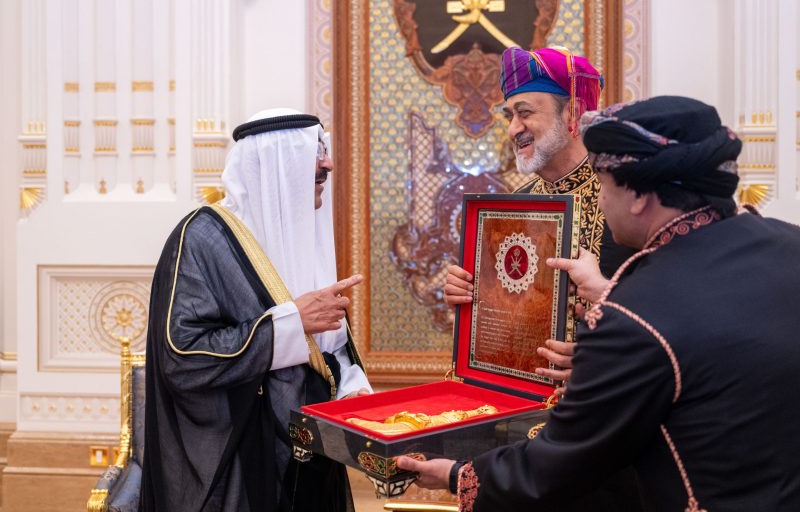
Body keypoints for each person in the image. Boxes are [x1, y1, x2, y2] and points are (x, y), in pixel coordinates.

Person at [399, 96, 800, 511]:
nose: (601, 200)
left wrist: (456, 475)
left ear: (640, 195)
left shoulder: (633, 315)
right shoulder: (792, 247)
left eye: (604, 183)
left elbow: (558, 465)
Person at [140, 108, 370, 512]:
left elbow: (328, 347)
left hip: (313, 460)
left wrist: (355, 393)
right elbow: (182, 355)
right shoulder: (202, 238)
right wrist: (290, 324)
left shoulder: (305, 236)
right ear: (277, 163)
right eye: (315, 152)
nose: (328, 162)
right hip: (242, 469)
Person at [443, 46, 642, 510]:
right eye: (509, 114)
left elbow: (668, 312)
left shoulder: (626, 199)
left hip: (606, 431)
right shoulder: (521, 198)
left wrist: (598, 356)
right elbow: (510, 315)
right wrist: (469, 301)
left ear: (572, 112)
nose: (513, 128)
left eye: (525, 112)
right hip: (519, 429)